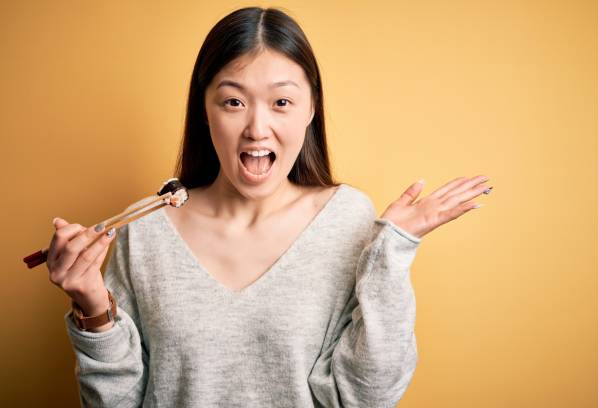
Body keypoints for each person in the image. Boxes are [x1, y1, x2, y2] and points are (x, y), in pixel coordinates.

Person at [46, 6, 492, 407]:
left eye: (281, 102)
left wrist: (391, 252)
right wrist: (91, 306)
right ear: (205, 109)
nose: (257, 128)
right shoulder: (144, 228)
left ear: (311, 108)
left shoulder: (346, 219)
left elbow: (367, 397)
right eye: (234, 101)